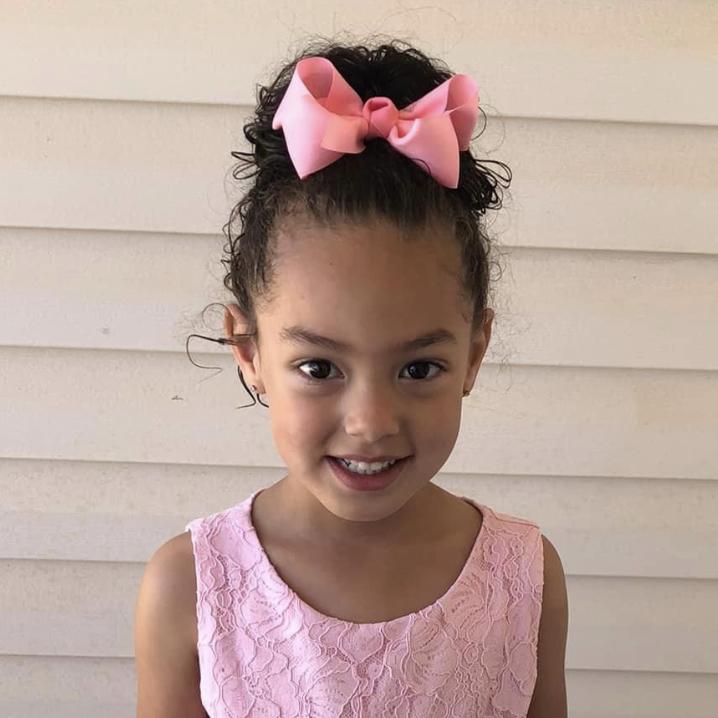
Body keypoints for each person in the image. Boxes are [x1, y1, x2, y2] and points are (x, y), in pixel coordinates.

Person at [134, 37, 568, 718]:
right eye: (319, 367)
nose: (371, 422)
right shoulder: (189, 585)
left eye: (418, 368)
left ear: (474, 353)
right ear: (248, 350)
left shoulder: (523, 577)